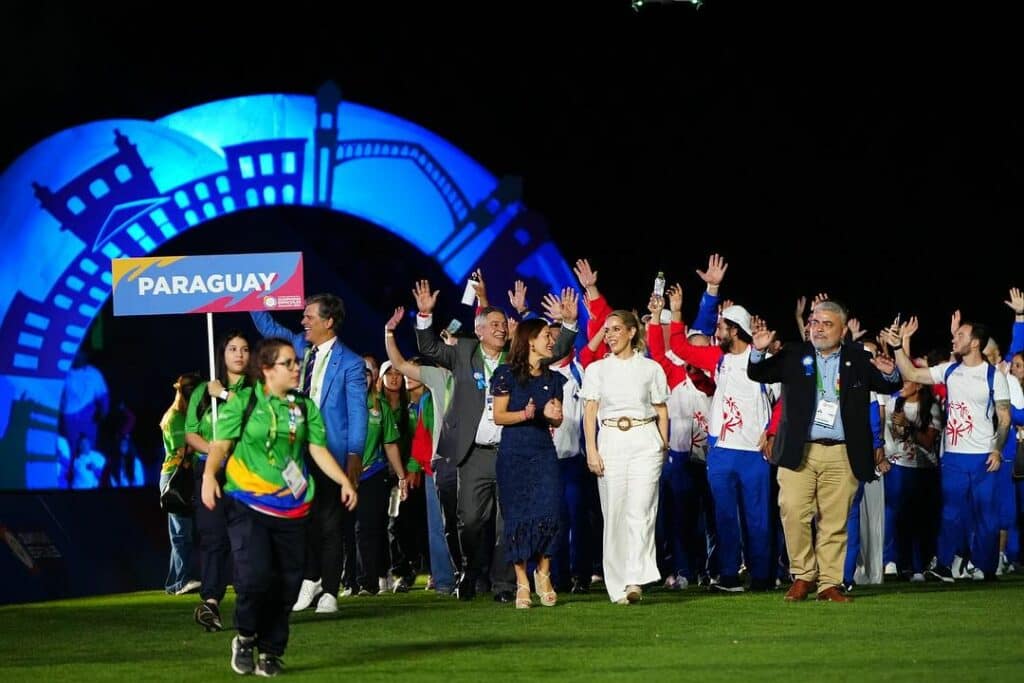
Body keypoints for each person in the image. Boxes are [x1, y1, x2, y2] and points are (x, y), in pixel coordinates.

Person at [413, 279, 579, 602]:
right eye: (494, 325)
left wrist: (569, 323)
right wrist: (424, 316)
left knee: (508, 520)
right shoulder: (464, 352)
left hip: (512, 450)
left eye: (504, 324)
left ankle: (506, 585)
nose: (501, 329)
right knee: (472, 519)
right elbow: (430, 348)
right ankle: (471, 570)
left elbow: (555, 349)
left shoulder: (516, 357)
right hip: (474, 451)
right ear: (479, 330)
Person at [201, 337, 358, 677]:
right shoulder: (242, 403)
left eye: (296, 362)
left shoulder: (304, 408)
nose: (296, 367)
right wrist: (209, 476)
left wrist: (345, 481)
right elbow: (220, 445)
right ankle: (245, 636)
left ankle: (271, 652)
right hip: (248, 503)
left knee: (288, 585)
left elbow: (317, 449)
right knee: (255, 577)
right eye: (289, 363)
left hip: (293, 508)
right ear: (268, 369)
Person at [747, 300, 901, 602]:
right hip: (798, 451)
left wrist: (891, 373)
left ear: (843, 330)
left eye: (826, 323)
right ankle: (803, 575)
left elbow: (887, 386)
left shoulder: (858, 357)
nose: (817, 328)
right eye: (814, 322)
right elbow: (759, 374)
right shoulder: (794, 353)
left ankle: (830, 583)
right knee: (792, 510)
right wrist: (758, 350)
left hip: (842, 452)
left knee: (835, 520)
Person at [251, 293, 367, 614]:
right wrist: (249, 289)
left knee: (329, 523)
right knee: (301, 519)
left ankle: (330, 590)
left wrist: (355, 455)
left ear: (328, 322)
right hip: (293, 453)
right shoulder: (298, 347)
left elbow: (357, 413)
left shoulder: (352, 364)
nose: (303, 321)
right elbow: (265, 323)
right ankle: (311, 577)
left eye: (309, 317)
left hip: (328, 453)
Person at [884, 315, 1010, 581]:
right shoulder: (950, 371)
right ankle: (943, 565)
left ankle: (985, 568)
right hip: (953, 455)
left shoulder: (993, 376)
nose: (955, 339)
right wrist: (897, 347)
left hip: (983, 457)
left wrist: (997, 449)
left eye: (960, 336)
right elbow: (911, 373)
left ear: (975, 343)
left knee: (985, 516)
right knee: (950, 512)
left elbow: (1004, 417)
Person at [581, 309, 670, 605]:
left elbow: (661, 409)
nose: (610, 335)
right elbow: (590, 411)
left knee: (642, 511)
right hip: (610, 441)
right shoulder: (597, 370)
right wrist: (592, 449)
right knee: (615, 513)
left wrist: (662, 443)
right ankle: (617, 585)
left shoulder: (651, 368)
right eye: (607, 330)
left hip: (645, 440)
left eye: (616, 329)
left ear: (632, 332)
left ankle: (635, 579)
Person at [490, 318, 566, 608]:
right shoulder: (505, 374)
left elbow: (557, 418)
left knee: (550, 512)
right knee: (518, 518)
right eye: (547, 336)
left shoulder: (554, 378)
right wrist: (526, 413)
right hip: (514, 455)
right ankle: (522, 581)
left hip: (544, 453)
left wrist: (553, 414)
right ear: (530, 340)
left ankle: (543, 574)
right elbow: (499, 415)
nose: (551, 341)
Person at [186, 330, 252, 631]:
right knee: (212, 537)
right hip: (208, 471)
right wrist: (214, 452)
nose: (239, 354)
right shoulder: (203, 392)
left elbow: (254, 417)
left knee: (244, 538)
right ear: (222, 355)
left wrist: (223, 395)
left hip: (244, 472)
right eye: (232, 349)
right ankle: (210, 602)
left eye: (244, 349)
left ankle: (246, 601)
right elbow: (190, 433)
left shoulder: (257, 389)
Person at [159, 372, 202, 595]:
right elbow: (182, 450)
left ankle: (176, 582)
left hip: (185, 474)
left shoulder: (187, 415)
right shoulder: (175, 416)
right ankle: (180, 581)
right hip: (176, 476)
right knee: (180, 531)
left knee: (182, 530)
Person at [58, 347, 109, 488]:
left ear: (86, 355)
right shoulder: (65, 374)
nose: (78, 356)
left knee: (89, 455)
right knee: (71, 457)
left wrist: (103, 411)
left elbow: (103, 396)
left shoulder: (94, 373)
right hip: (69, 422)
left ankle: (93, 486)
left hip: (89, 420)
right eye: (75, 353)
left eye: (81, 353)